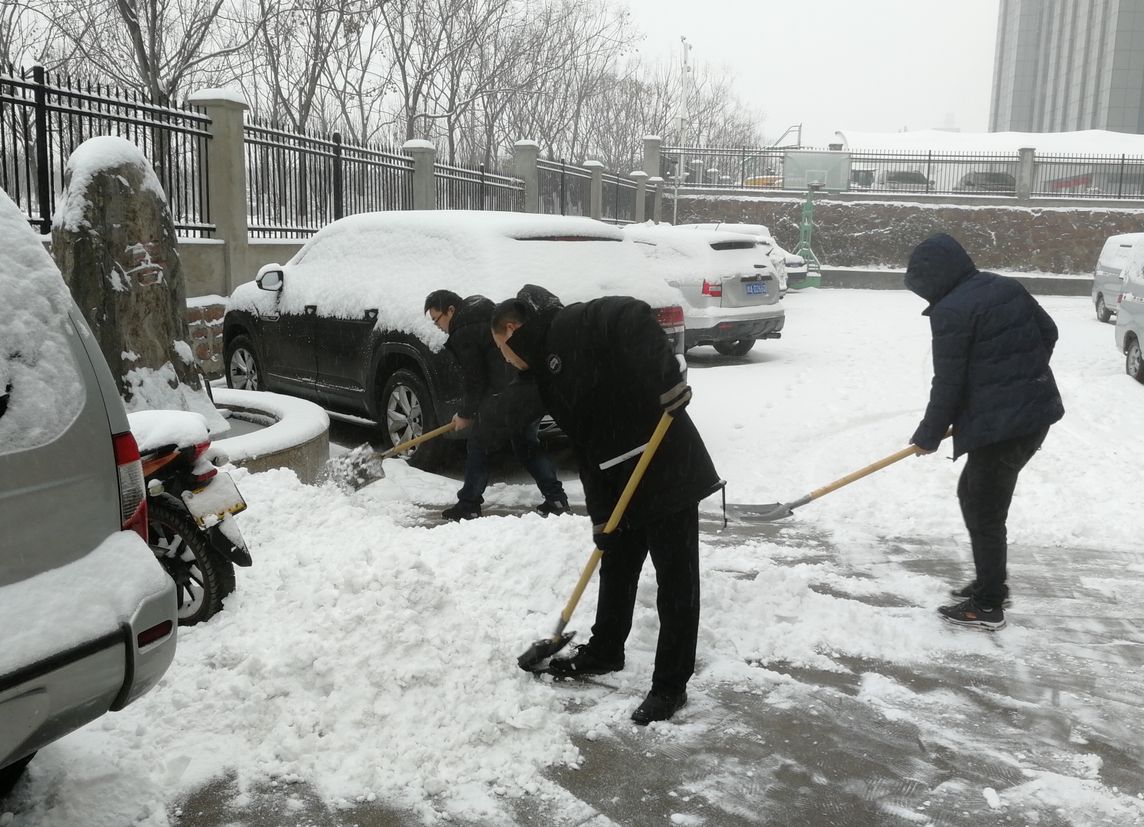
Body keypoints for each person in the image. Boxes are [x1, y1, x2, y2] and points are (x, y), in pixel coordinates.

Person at [491, 285, 723, 724]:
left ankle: (671, 686)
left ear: (511, 329)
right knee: (615, 562)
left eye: (502, 349)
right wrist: (601, 517)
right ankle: (604, 651)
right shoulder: (547, 375)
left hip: (665, 462)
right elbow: (585, 449)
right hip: (620, 480)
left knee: (676, 581)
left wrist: (667, 379)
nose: (505, 359)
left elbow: (632, 314)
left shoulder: (572, 322)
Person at [904, 233, 1064, 631]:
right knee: (974, 498)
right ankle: (990, 582)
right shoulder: (1004, 285)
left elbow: (948, 384)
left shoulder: (952, 312)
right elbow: (1049, 332)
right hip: (1033, 416)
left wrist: (928, 434)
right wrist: (1019, 379)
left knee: (984, 510)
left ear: (935, 278)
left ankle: (988, 605)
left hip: (1004, 428)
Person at [423, 289, 568, 521]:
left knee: (479, 445)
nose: (438, 326)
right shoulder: (484, 308)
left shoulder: (463, 330)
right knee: (526, 444)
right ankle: (556, 498)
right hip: (529, 386)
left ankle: (468, 505)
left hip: (507, 394)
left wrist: (466, 413)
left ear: (451, 310)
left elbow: (476, 380)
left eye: (437, 319)